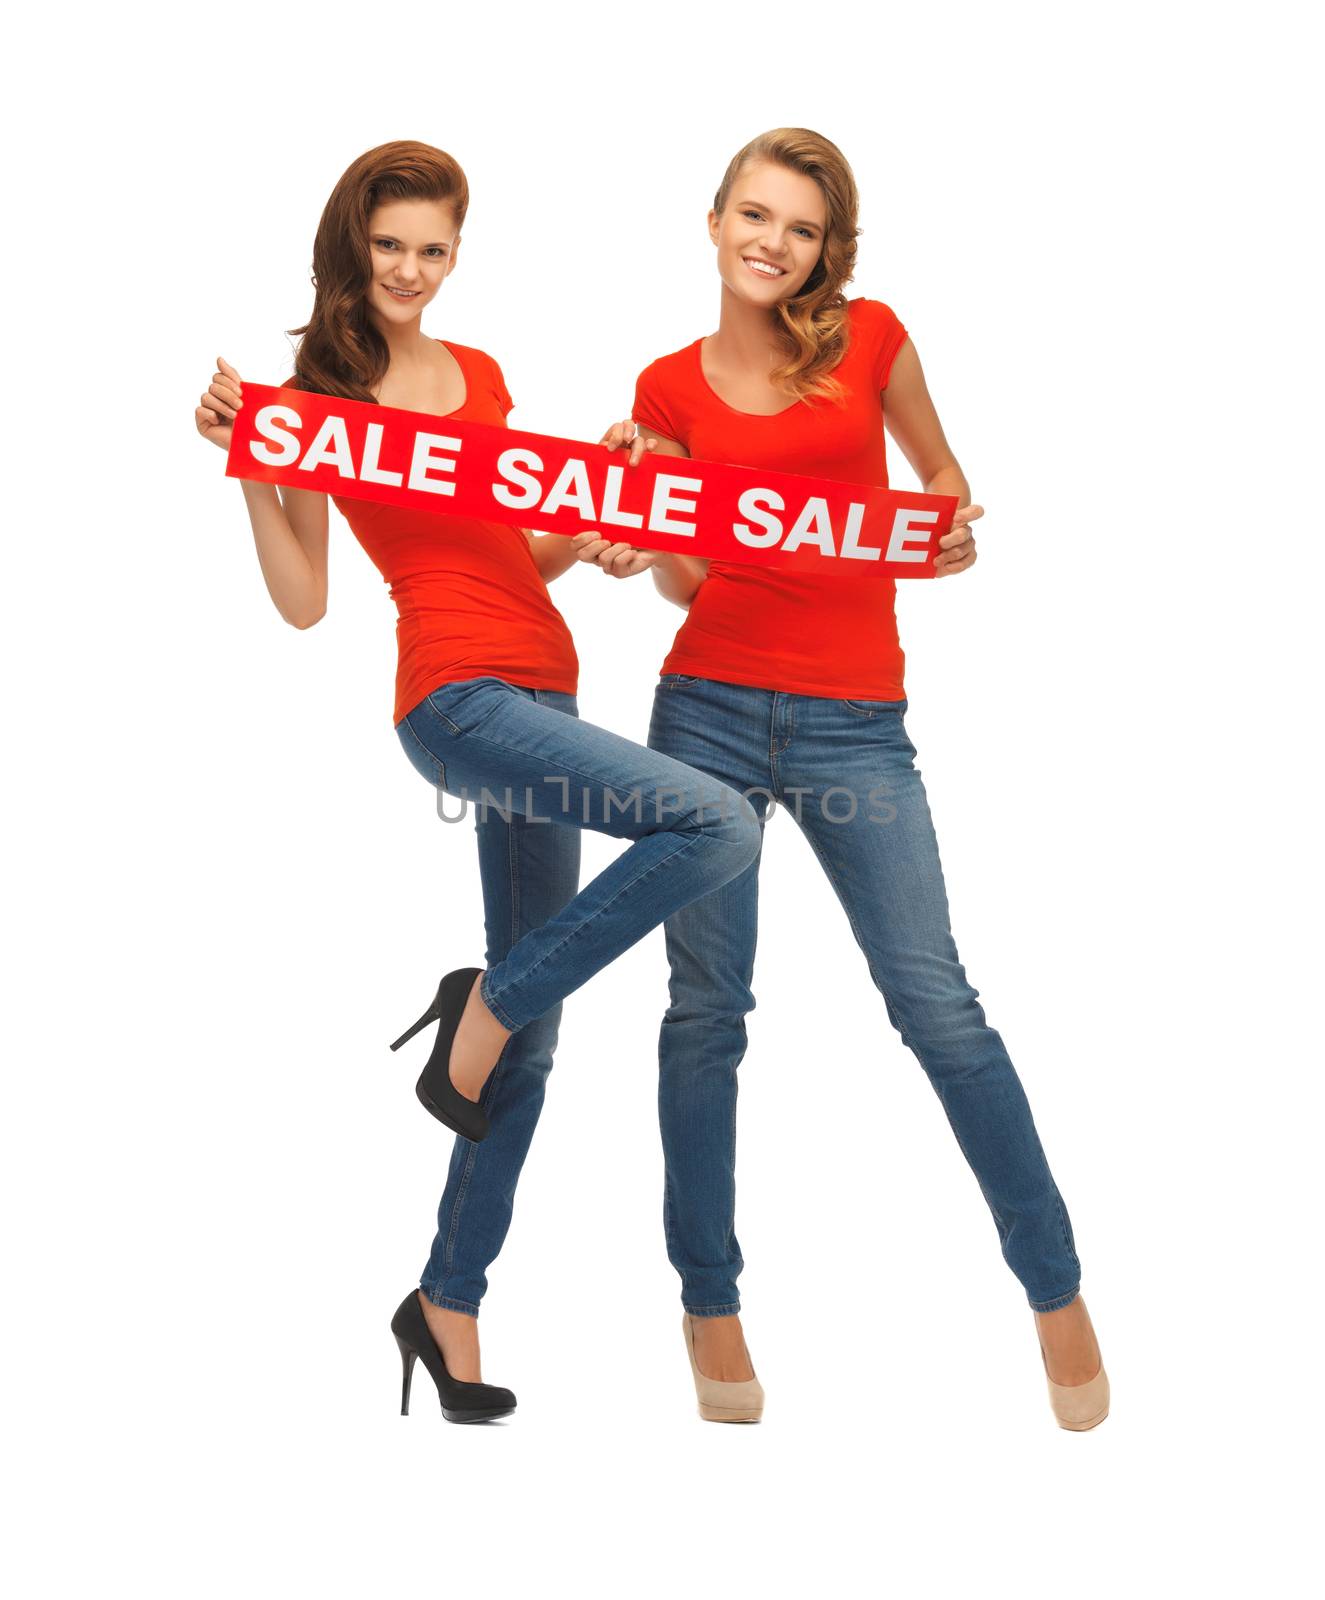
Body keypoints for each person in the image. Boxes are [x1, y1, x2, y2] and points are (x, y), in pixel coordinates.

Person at [195, 140, 760, 1424]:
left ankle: (445, 1298)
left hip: (546, 683)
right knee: (713, 817)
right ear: (353, 243)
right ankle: (484, 1003)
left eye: (433, 248)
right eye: (389, 244)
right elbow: (302, 602)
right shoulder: (317, 398)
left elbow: (516, 552)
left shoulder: (482, 375)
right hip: (456, 698)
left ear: (456, 253)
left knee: (536, 1041)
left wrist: (608, 522)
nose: (410, 269)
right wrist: (251, 462)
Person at [575, 127, 1109, 1430]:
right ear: (712, 224)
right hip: (703, 709)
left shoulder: (868, 341)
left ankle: (1055, 1289)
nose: (773, 241)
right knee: (707, 1010)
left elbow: (942, 477)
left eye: (801, 226)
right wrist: (635, 546)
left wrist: (951, 535)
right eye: (754, 215)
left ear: (828, 248)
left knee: (938, 1004)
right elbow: (694, 574)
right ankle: (711, 1304)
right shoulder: (663, 388)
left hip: (854, 720)